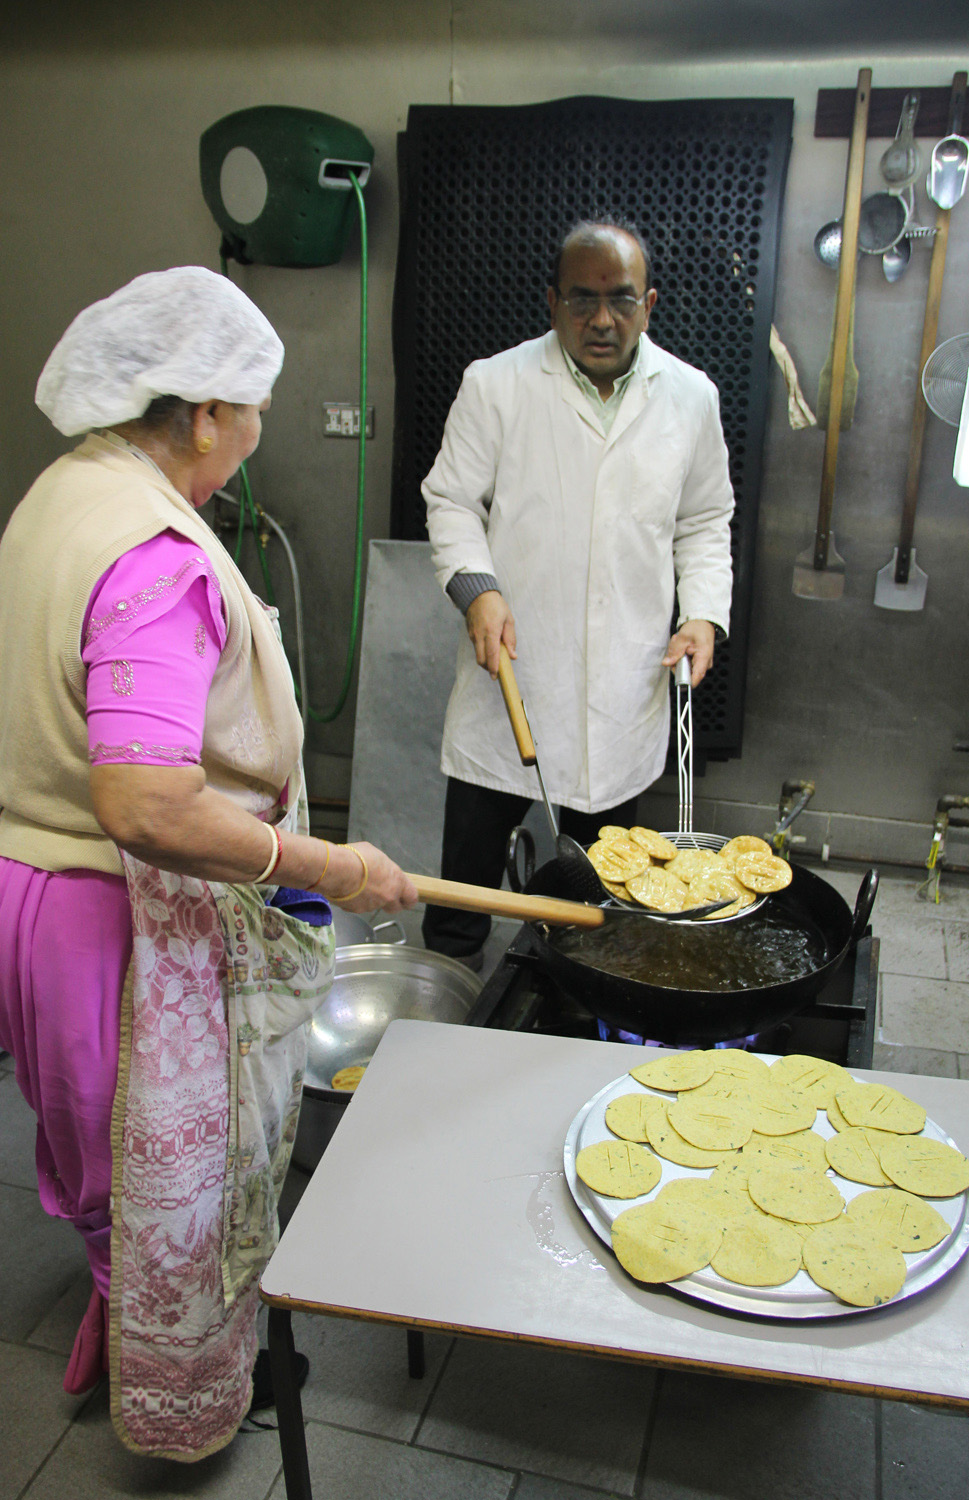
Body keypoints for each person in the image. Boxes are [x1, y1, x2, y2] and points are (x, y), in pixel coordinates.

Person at [0, 267, 417, 1460]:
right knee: (173, 1184)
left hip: (30, 886)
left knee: (96, 1154)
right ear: (200, 414)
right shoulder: (152, 556)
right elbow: (145, 801)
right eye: (254, 411)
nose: (255, 435)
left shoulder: (62, 492)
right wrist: (320, 861)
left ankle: (118, 1311)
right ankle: (176, 1384)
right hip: (112, 917)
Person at [421, 217, 734, 966]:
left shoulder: (689, 397)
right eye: (582, 299)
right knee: (464, 897)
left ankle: (573, 1007)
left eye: (621, 299)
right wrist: (478, 591)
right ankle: (445, 997)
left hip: (623, 688)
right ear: (552, 301)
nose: (601, 319)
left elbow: (704, 520)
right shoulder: (495, 385)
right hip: (512, 679)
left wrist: (702, 616)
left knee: (598, 904)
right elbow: (452, 501)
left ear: (648, 304)